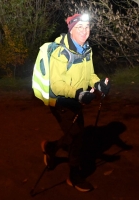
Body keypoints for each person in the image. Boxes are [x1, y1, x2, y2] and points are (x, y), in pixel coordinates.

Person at [40, 13, 110, 192]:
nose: (84, 31)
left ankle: (51, 147)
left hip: (77, 99)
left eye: (87, 27)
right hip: (60, 101)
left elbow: (89, 75)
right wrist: (78, 94)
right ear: (71, 30)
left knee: (74, 134)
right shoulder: (60, 51)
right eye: (79, 27)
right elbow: (56, 84)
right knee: (77, 136)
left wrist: (98, 84)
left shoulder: (86, 49)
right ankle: (74, 176)